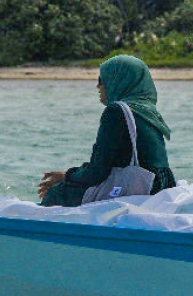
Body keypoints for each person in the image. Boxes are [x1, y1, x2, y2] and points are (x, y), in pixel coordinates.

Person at [37, 55, 176, 206]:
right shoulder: (148, 112)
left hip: (138, 186)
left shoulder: (116, 111)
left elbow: (97, 172)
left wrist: (67, 178)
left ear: (118, 81)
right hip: (159, 185)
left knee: (57, 192)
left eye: (101, 80)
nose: (98, 86)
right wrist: (70, 175)